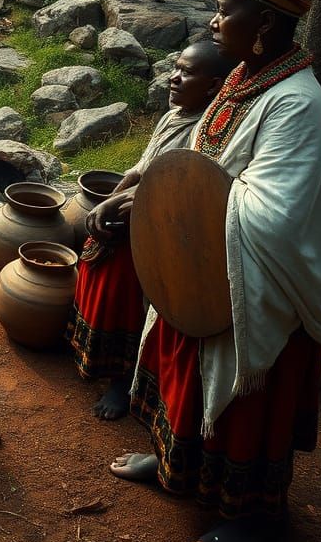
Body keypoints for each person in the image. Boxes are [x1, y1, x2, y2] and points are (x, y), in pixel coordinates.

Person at [108, 0, 321, 542]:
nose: (212, 19)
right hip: (198, 264)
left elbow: (273, 217)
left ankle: (256, 516)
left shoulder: (298, 104)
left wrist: (184, 211)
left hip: (247, 284)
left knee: (244, 407)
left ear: (265, 23)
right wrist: (145, 194)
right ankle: (175, 464)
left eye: (225, 9)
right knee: (181, 367)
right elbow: (196, 154)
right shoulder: (242, 79)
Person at [71, 39, 233, 420]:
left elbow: (173, 191)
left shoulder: (207, 132)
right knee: (96, 252)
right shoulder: (173, 115)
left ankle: (123, 380)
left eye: (186, 72)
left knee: (124, 280)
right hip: (140, 210)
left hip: (168, 230)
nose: (173, 78)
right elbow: (141, 169)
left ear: (212, 85)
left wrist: (123, 206)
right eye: (175, 67)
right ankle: (92, 355)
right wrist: (111, 200)